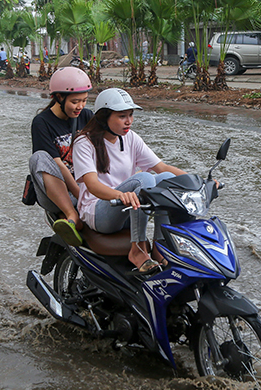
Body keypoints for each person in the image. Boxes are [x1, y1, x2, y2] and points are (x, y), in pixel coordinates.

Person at [72, 88, 186, 273]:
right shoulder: (84, 142)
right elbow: (92, 185)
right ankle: (138, 249)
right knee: (144, 179)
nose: (129, 121)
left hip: (128, 209)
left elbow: (162, 168)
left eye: (131, 115)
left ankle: (159, 246)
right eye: (122, 116)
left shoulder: (130, 138)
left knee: (167, 180)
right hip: (99, 211)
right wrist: (121, 195)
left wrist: (198, 182)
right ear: (103, 117)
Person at [29, 67, 94, 246]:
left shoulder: (87, 116)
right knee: (39, 157)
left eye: (84, 101)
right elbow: (57, 164)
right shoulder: (41, 122)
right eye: (75, 102)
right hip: (58, 191)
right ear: (58, 97)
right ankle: (72, 215)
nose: (80, 106)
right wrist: (80, 195)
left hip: (85, 187)